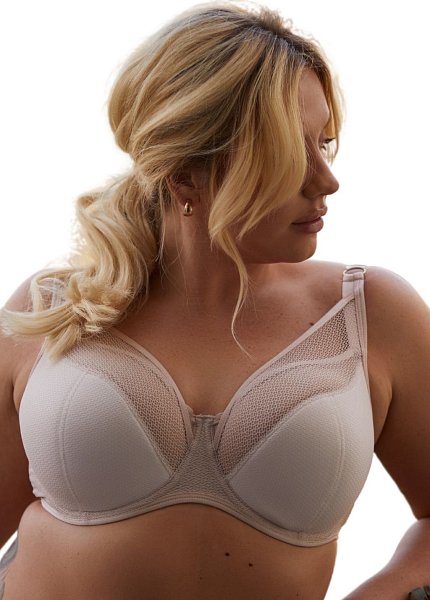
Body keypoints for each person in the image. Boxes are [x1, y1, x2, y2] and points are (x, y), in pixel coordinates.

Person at [0, 2, 429, 599]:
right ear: (185, 173)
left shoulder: (367, 314)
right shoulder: (54, 310)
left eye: (324, 143)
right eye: (292, 151)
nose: (326, 180)